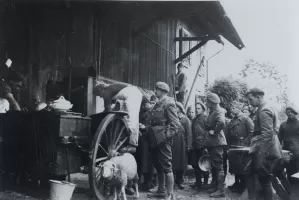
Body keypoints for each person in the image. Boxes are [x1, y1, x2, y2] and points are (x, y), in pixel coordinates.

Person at [245, 88, 283, 200]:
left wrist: (262, 156)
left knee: (265, 178)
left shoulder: (264, 110)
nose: (249, 102)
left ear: (259, 97)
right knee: (249, 172)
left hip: (265, 149)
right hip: (265, 147)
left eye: (250, 99)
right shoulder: (266, 107)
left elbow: (267, 135)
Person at [147, 82, 180, 200]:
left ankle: (170, 194)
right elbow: (153, 122)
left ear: (163, 91)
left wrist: (165, 137)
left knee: (166, 165)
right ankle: (161, 191)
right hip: (154, 138)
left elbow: (175, 125)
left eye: (157, 90)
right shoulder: (157, 104)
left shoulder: (169, 103)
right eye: (156, 89)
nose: (155, 91)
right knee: (157, 164)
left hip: (163, 140)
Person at [93, 81, 143, 153]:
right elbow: (114, 109)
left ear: (100, 90)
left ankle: (133, 145)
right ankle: (126, 138)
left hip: (133, 94)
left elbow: (107, 110)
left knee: (132, 118)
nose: (100, 96)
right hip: (129, 95)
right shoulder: (111, 89)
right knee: (124, 118)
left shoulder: (106, 93)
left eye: (98, 94)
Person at [203, 93, 227, 198]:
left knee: (218, 166)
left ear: (212, 102)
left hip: (216, 142)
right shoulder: (213, 111)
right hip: (213, 142)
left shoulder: (218, 111)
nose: (206, 103)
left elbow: (221, 122)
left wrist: (215, 132)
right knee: (214, 165)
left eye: (207, 101)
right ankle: (216, 186)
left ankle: (220, 190)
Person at [227, 101, 254, 193]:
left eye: (234, 107)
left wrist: (245, 142)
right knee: (235, 166)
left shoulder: (246, 119)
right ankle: (236, 183)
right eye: (232, 107)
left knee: (242, 167)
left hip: (243, 148)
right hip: (234, 146)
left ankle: (243, 186)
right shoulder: (232, 120)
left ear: (239, 109)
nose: (232, 109)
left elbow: (252, 133)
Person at [138, 95, 156, 191]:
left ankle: (149, 183)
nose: (144, 106)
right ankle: (144, 182)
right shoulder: (140, 113)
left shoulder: (152, 113)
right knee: (143, 162)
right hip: (141, 141)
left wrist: (145, 127)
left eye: (145, 104)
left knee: (149, 163)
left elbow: (155, 126)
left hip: (149, 141)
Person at [190, 101, 209, 190]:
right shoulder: (194, 119)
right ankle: (198, 182)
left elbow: (208, 132)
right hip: (195, 145)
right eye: (196, 108)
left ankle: (205, 183)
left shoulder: (206, 118)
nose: (197, 110)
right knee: (195, 164)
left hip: (203, 144)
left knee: (204, 164)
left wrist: (205, 145)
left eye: (199, 108)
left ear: (203, 109)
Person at [172, 102, 192, 190]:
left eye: (175, 107)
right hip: (172, 142)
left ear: (180, 108)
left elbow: (189, 133)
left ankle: (180, 181)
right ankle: (171, 182)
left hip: (182, 143)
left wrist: (189, 145)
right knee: (172, 162)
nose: (174, 108)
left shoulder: (185, 119)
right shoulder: (171, 118)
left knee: (181, 163)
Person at [278, 106, 299, 183]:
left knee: (297, 170)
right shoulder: (283, 125)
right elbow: (279, 138)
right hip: (286, 151)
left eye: (290, 112)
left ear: (294, 113)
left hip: (297, 151)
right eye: (287, 112)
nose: (289, 114)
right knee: (289, 170)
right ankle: (290, 188)